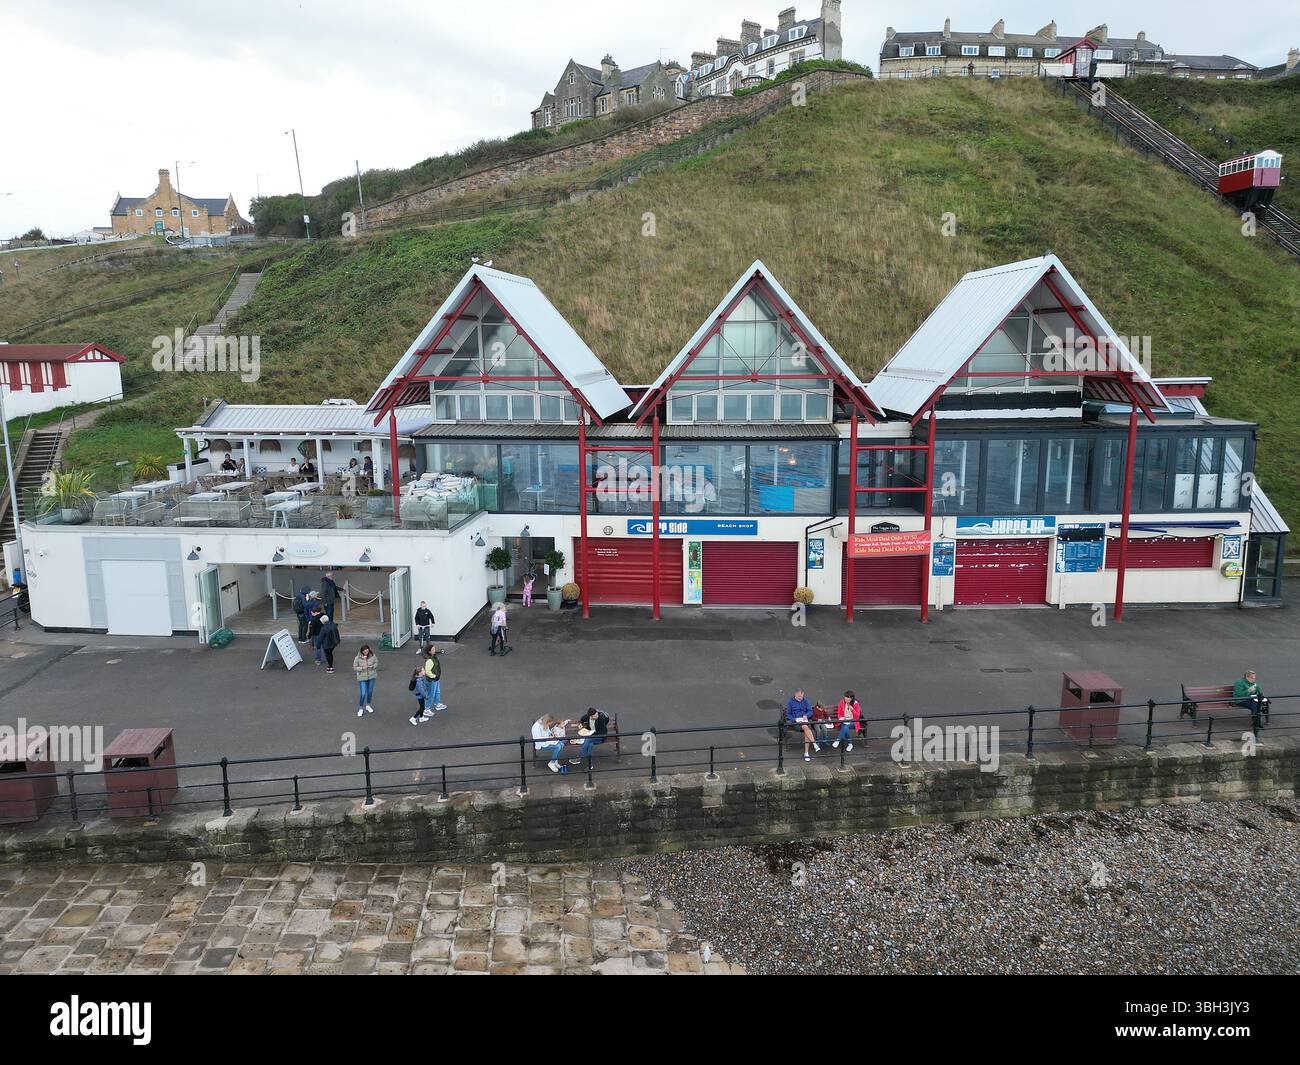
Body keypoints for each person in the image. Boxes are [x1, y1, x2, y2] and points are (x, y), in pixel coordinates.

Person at [784, 688, 820, 761]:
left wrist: (806, 715)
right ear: (795, 695)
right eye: (799, 696)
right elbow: (788, 714)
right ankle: (813, 745)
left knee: (805, 728)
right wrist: (795, 720)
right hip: (796, 723)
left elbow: (810, 711)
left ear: (803, 694)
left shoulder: (806, 701)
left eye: (801, 696)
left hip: (804, 720)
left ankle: (807, 752)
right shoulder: (790, 702)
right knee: (806, 727)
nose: (800, 698)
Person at [353, 644, 377, 717]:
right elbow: (354, 667)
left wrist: (373, 666)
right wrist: (362, 668)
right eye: (364, 651)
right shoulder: (357, 658)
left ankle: (368, 705)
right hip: (362, 677)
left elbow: (376, 663)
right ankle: (360, 708)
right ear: (362, 651)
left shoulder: (373, 655)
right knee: (363, 693)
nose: (366, 652)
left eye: (367, 650)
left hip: (371, 676)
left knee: (370, 692)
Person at [422, 644, 446, 711]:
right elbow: (427, 671)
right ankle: (427, 708)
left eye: (434, 649)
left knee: (437, 691)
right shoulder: (429, 660)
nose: (434, 650)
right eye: (433, 650)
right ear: (429, 652)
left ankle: (437, 703)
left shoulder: (433, 656)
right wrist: (434, 676)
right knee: (431, 694)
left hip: (435, 679)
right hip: (432, 680)